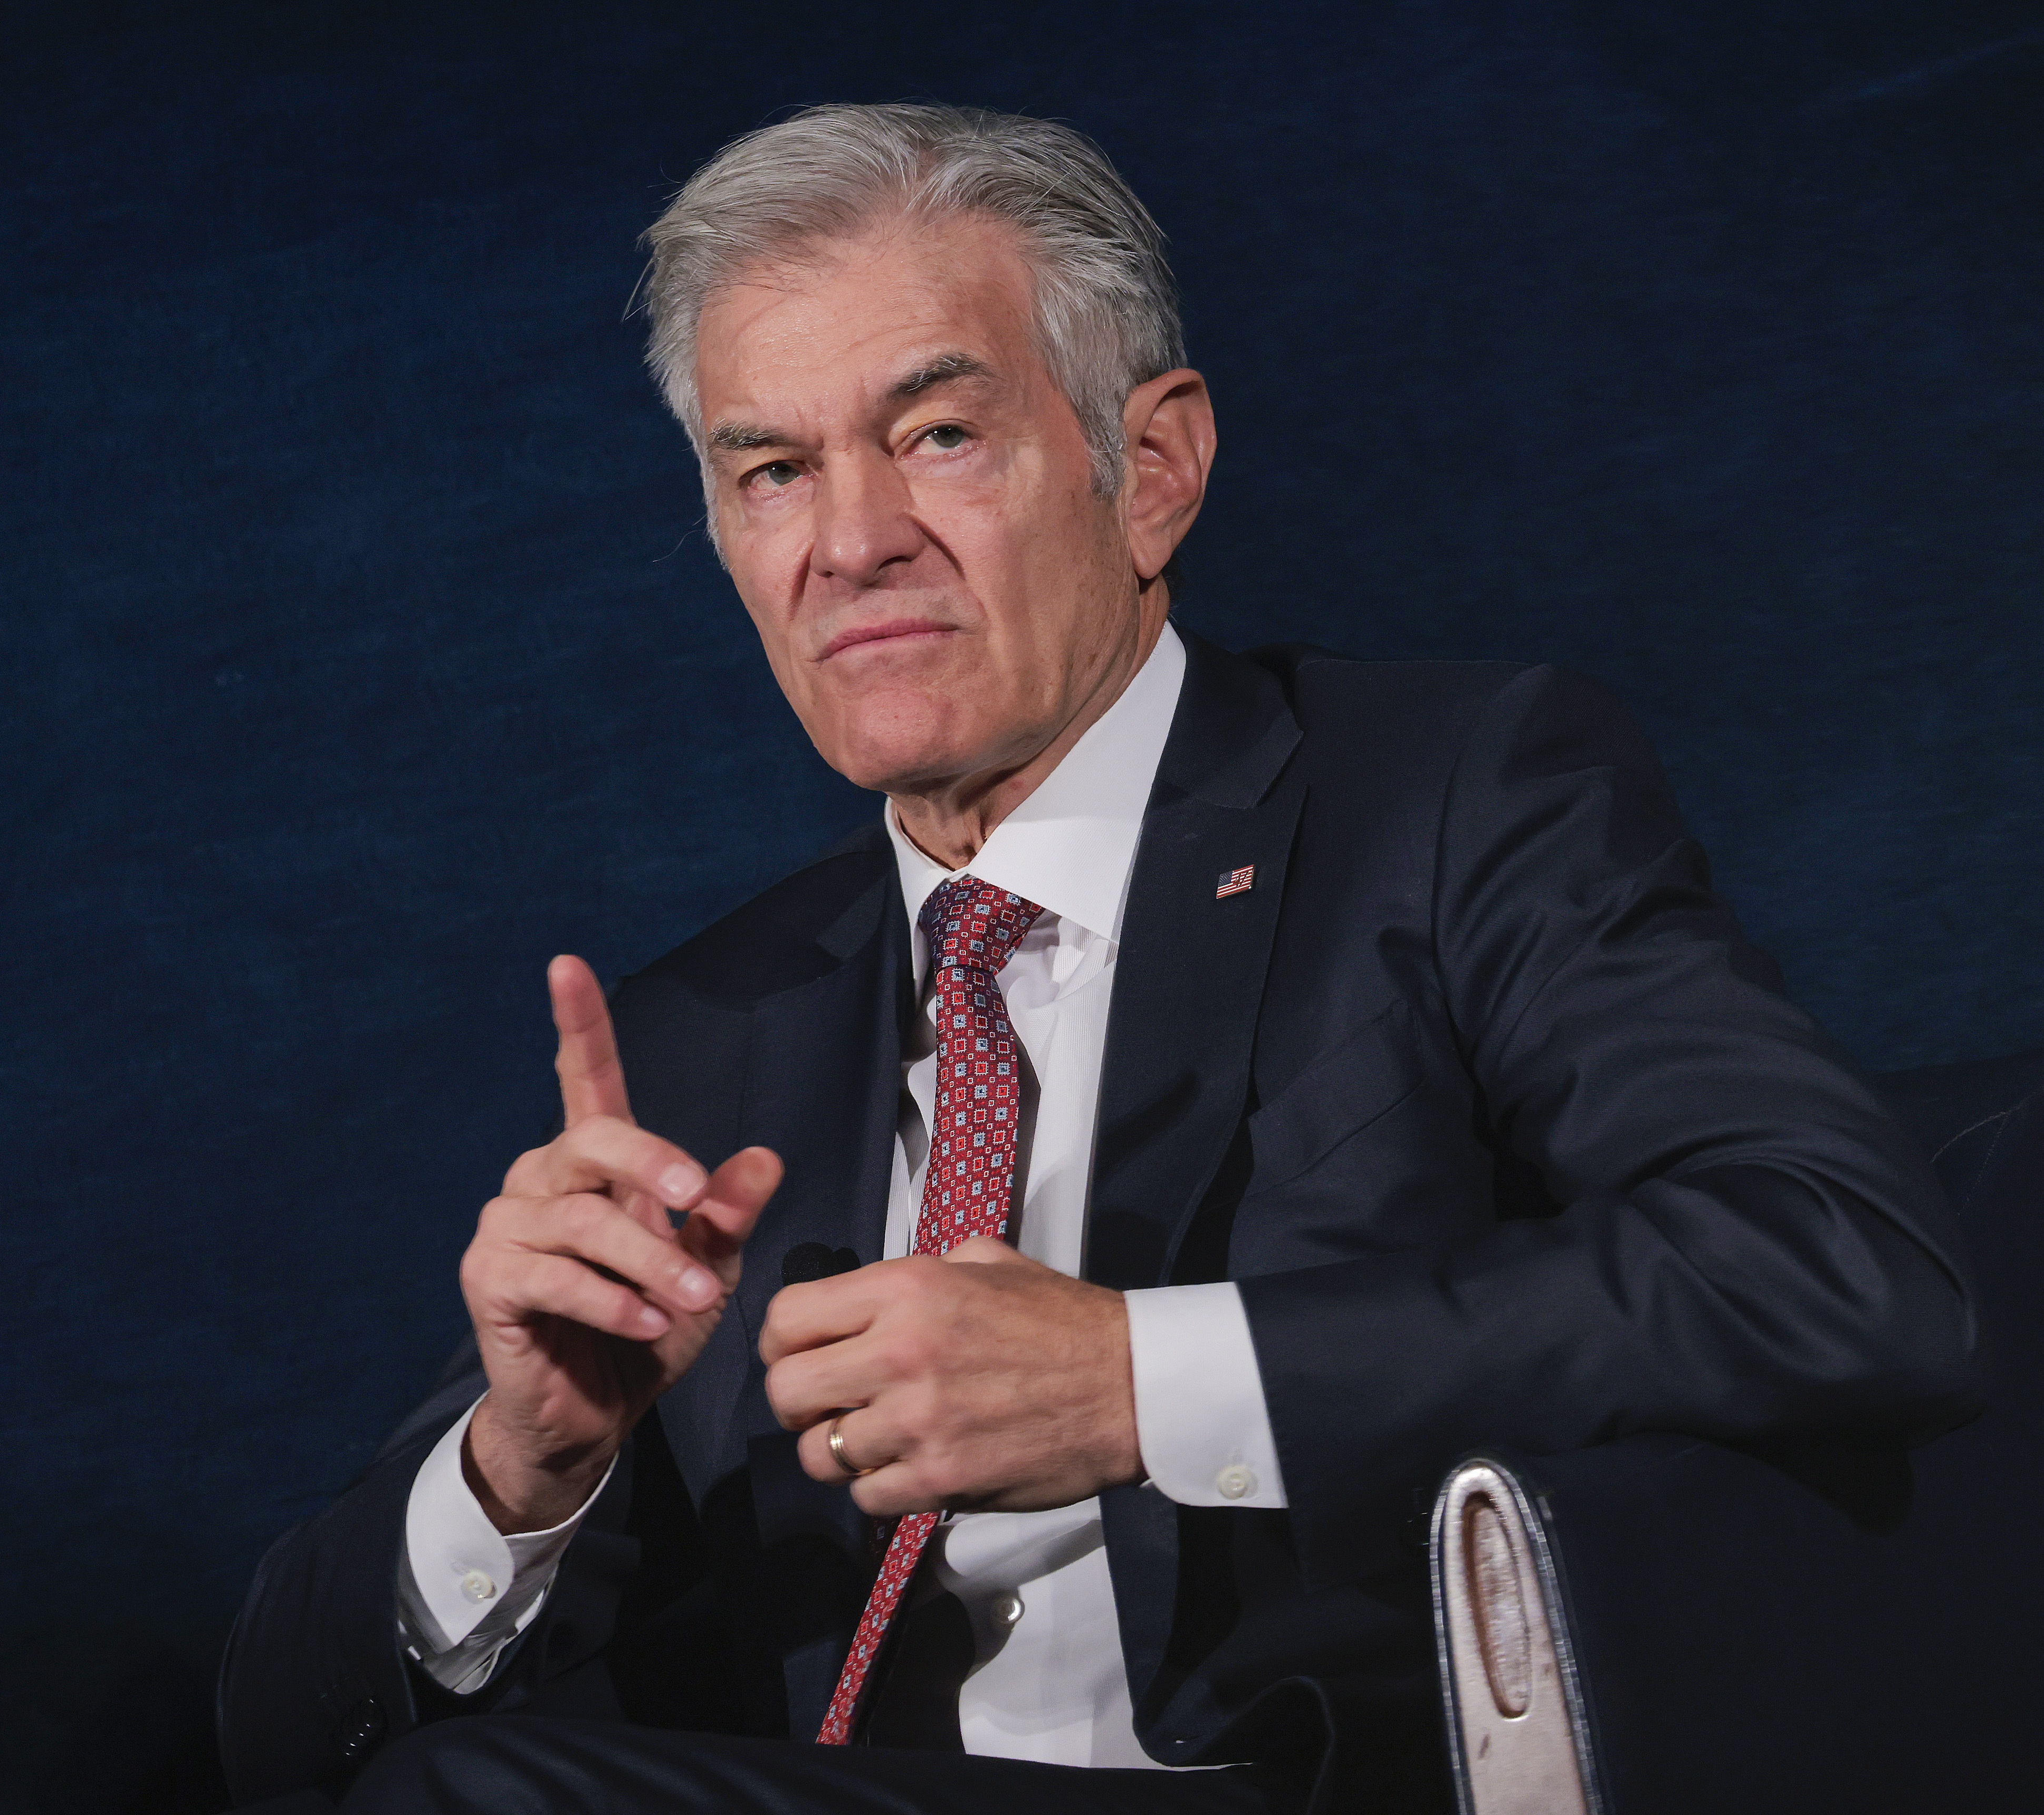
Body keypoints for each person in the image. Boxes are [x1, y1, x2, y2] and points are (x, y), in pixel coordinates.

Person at [216, 103, 1979, 1814]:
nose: (847, 542)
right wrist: (525, 1464)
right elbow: (277, 1729)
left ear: (1149, 468)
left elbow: (1836, 1266)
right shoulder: (698, 1035)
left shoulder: (1451, 797)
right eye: (771, 471)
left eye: (935, 438)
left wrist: (1135, 1381)